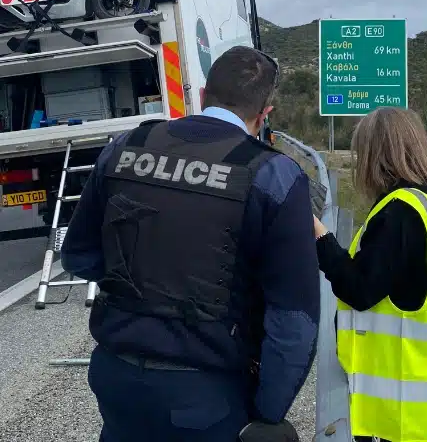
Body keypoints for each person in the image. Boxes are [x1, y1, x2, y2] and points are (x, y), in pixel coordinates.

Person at [61, 45, 319, 441]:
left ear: (201, 96)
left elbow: (78, 255)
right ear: (265, 114)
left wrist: (141, 282)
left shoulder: (126, 146)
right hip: (208, 393)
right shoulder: (273, 175)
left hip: (116, 377)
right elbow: (294, 319)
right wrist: (270, 413)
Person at [313, 107, 427, 442]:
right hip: (425, 397)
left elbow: (360, 290)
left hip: (400, 409)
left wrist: (321, 238)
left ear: (377, 156)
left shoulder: (401, 214)